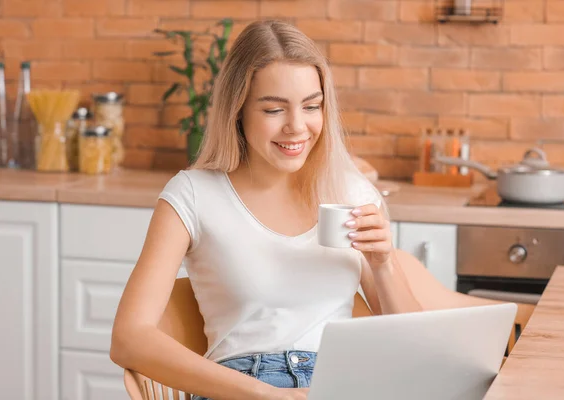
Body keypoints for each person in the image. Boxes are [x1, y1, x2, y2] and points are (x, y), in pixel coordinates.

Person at [110, 20, 422, 400]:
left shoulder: (352, 192)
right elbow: (129, 338)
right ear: (238, 110)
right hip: (239, 386)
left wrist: (383, 263)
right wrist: (264, 394)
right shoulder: (193, 195)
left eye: (312, 107)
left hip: (338, 385)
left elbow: (417, 353)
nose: (297, 127)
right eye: (274, 109)